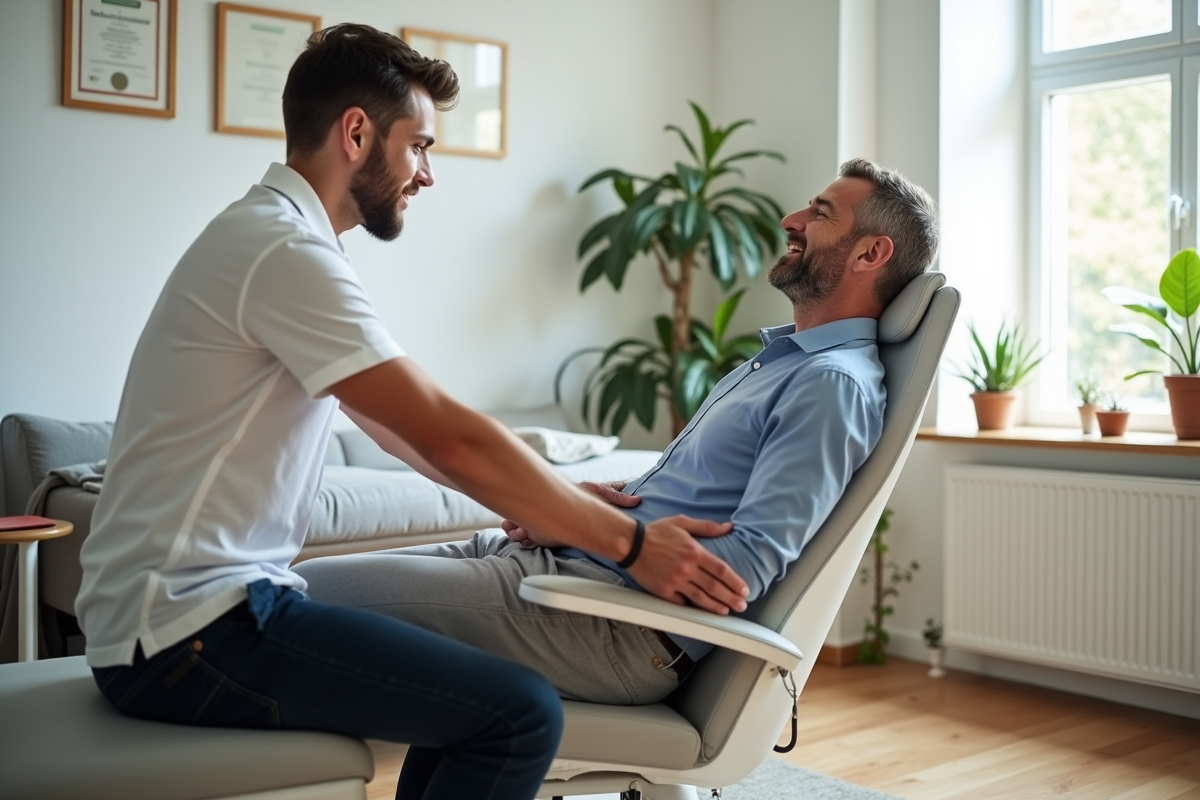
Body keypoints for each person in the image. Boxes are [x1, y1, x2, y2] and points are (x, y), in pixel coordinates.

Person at [74, 23, 749, 800]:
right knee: (520, 714)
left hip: (177, 622)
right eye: (419, 146)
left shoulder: (275, 239)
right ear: (356, 133)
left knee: (476, 702)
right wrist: (632, 545)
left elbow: (398, 431)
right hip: (188, 636)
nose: (427, 173)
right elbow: (447, 435)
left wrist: (556, 509)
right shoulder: (283, 252)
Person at [294, 158, 941, 705]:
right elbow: (690, 501)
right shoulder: (781, 363)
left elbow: (739, 571)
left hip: (610, 623)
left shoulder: (831, 385)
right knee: (284, 585)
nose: (790, 221)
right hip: (559, 567)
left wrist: (604, 539)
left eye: (820, 213)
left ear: (871, 253)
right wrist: (572, 513)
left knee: (297, 604)